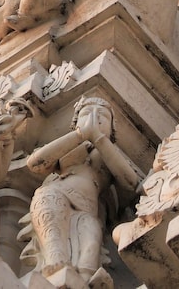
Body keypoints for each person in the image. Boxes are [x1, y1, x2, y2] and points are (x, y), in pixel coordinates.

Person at [26, 97, 143, 283]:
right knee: (52, 226)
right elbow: (35, 163)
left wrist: (98, 138)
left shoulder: (109, 153)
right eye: (86, 114)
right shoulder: (69, 146)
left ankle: (86, 281)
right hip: (56, 193)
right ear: (75, 122)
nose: (95, 118)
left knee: (91, 242)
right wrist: (80, 135)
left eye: (103, 116)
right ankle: (55, 263)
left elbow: (131, 182)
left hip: (89, 210)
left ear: (112, 129)